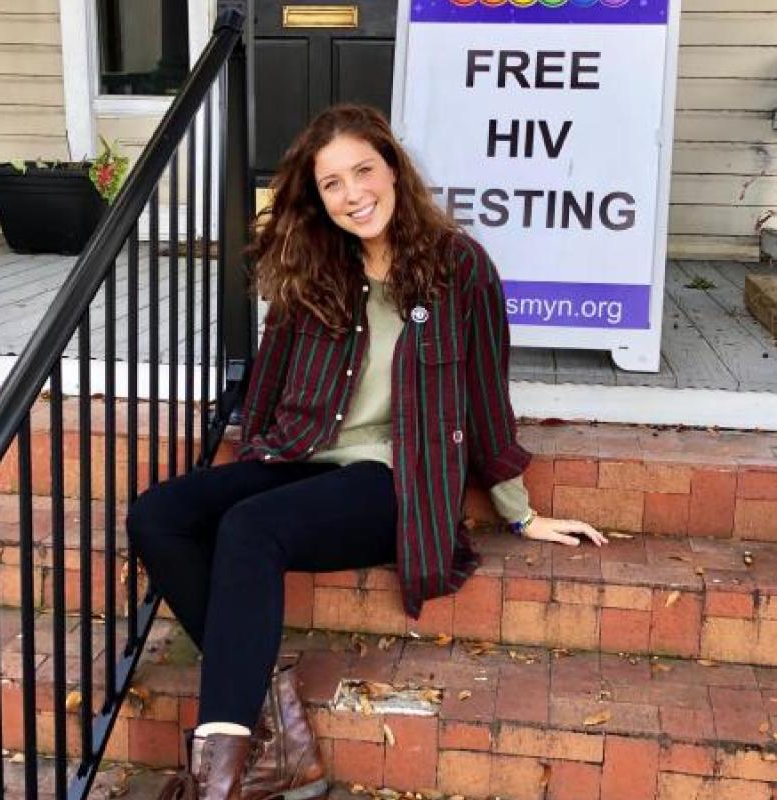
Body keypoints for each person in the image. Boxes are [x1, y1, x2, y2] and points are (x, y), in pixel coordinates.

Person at [128, 103, 607, 800]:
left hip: (395, 478)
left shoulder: (459, 268)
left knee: (249, 530)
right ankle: (278, 732)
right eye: (332, 184)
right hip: (304, 455)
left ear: (393, 169)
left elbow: (483, 395)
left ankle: (218, 780)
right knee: (158, 514)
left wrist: (520, 512)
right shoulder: (314, 264)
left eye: (363, 171)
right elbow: (267, 375)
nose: (354, 195)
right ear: (316, 200)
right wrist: (255, 458)